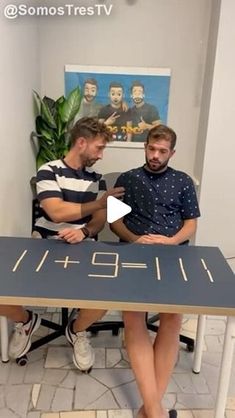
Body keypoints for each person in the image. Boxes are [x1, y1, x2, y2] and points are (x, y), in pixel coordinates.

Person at [110, 124, 200, 418]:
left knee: (172, 317)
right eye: (152, 148)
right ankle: (155, 412)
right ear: (144, 146)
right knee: (133, 315)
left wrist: (171, 241)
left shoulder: (184, 181)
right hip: (135, 252)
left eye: (162, 151)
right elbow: (114, 223)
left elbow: (190, 223)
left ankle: (149, 410)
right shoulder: (127, 179)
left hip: (173, 254)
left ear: (172, 152)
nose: (156, 155)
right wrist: (136, 240)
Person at [33, 117, 124, 371]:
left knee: (106, 295)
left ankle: (76, 330)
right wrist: (99, 202)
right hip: (45, 245)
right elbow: (57, 213)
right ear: (81, 143)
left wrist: (84, 231)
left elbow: (99, 221)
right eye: (99, 147)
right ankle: (27, 322)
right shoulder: (48, 170)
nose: (102, 155)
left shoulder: (98, 178)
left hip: (83, 247)